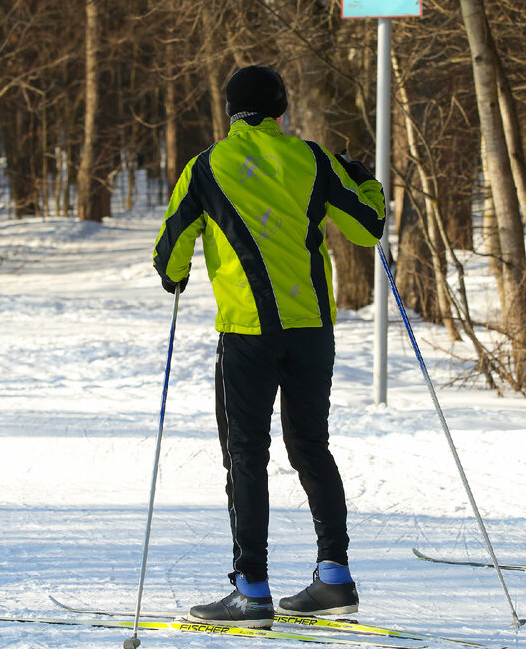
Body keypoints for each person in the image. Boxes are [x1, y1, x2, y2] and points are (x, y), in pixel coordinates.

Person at [152, 65, 386, 627]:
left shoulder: (206, 167)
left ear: (230, 113)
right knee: (311, 447)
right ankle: (335, 577)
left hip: (247, 335)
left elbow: (168, 254)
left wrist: (177, 274)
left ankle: (251, 589)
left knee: (246, 454)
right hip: (311, 331)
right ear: (281, 111)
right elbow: (368, 226)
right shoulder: (313, 158)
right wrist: (365, 178)